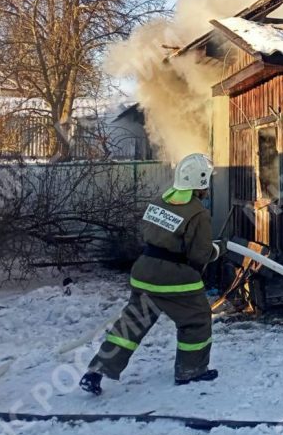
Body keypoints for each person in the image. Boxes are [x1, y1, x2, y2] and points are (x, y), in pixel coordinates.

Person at [80, 153, 221, 395]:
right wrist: (216, 251)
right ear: (201, 182)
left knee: (131, 324)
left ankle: (96, 371)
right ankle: (191, 370)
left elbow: (151, 235)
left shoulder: (159, 201)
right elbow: (199, 254)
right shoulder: (198, 213)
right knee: (196, 320)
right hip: (173, 279)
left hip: (144, 272)